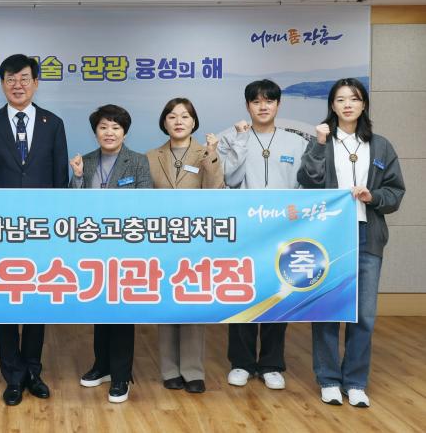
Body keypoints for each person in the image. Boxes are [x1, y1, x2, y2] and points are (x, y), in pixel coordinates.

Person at [298, 78, 404, 408]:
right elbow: (307, 180)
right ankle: (329, 379)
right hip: (329, 237)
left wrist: (373, 196)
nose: (347, 104)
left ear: (363, 105)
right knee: (327, 310)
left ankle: (356, 381)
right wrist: (319, 144)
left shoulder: (381, 145)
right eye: (341, 99)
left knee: (364, 314)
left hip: (367, 235)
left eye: (354, 99)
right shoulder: (322, 140)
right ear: (332, 105)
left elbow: (395, 192)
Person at [0, 54, 69, 406]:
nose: (18, 85)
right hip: (2, 227)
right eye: (11, 79)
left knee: (35, 299)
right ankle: (12, 376)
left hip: (41, 228)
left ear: (36, 83)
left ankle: (33, 371)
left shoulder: (52, 123)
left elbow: (59, 177)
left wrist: (58, 226)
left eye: (24, 78)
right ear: (2, 84)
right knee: (7, 300)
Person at [217, 79, 307, 391]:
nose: (263, 106)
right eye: (256, 101)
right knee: (241, 293)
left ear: (278, 104)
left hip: (282, 230)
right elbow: (230, 178)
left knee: (277, 295)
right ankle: (241, 363)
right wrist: (241, 141)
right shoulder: (231, 139)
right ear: (247, 106)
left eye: (269, 101)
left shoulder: (295, 142)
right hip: (245, 231)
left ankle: (271, 364)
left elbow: (303, 186)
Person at [69, 104, 152, 403]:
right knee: (100, 309)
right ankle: (101, 365)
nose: (109, 132)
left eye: (115, 127)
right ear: (95, 132)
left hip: (125, 247)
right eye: (103, 127)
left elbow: (145, 204)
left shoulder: (138, 161)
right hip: (94, 248)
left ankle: (120, 376)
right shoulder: (87, 161)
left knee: (122, 313)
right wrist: (78, 177)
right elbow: (73, 206)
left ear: (124, 132)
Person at [146, 97, 223, 394]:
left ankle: (193, 371)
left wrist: (212, 157)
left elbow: (216, 192)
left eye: (185, 116)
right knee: (167, 304)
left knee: (192, 304)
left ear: (194, 122)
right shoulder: (151, 156)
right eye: (172, 116)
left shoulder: (207, 154)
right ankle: (169, 370)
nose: (179, 121)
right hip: (161, 240)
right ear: (164, 122)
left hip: (195, 240)